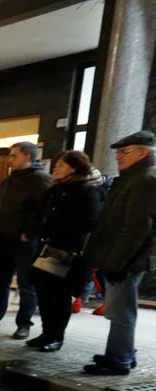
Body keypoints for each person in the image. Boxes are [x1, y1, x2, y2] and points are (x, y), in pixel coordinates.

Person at [81, 130, 156, 375]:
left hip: (128, 259)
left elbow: (136, 228)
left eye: (124, 152)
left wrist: (117, 261)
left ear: (143, 152)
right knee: (118, 309)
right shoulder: (133, 177)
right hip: (121, 256)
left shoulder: (146, 179)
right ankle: (121, 353)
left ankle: (120, 359)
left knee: (121, 310)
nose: (118, 157)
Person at [26, 150, 102, 352]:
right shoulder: (53, 190)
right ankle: (46, 333)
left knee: (59, 296)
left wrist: (57, 229)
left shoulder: (86, 191)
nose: (56, 168)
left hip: (66, 250)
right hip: (45, 248)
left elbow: (88, 223)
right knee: (43, 292)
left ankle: (56, 336)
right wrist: (34, 230)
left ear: (74, 168)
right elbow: (42, 215)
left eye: (61, 164)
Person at [0, 141, 51, 338]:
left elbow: (45, 211)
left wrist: (31, 232)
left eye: (14, 155)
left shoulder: (40, 180)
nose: (10, 159)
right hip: (4, 236)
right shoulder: (8, 180)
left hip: (24, 241)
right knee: (0, 281)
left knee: (26, 283)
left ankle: (24, 323)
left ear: (27, 157)